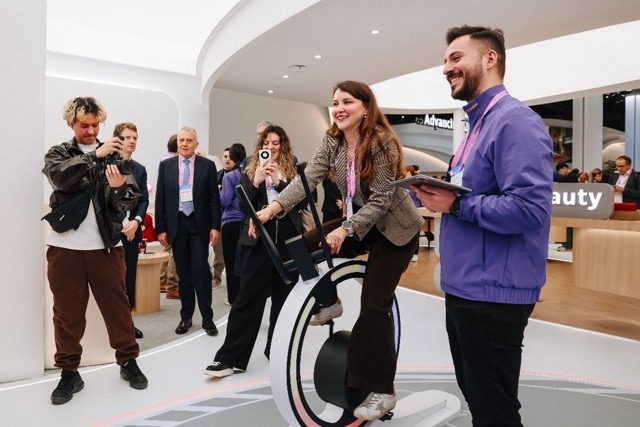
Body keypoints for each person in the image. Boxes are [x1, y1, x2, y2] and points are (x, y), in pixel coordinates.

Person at [254, 81, 423, 421]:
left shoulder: (381, 141)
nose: (339, 108)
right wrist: (272, 209)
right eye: (335, 102)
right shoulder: (333, 140)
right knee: (304, 243)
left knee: (374, 306)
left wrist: (345, 229)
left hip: (394, 230)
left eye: (347, 102)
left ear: (365, 106)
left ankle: (383, 390)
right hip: (361, 223)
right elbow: (307, 180)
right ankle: (329, 302)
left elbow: (382, 199)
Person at [413, 26, 553, 426]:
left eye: (456, 58)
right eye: (445, 60)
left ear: (490, 59)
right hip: (467, 286)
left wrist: (457, 204)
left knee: (494, 411)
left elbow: (530, 208)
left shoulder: (515, 121)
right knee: (481, 402)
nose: (446, 68)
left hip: (493, 294)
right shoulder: (479, 124)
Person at [42, 97, 148, 405]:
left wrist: (118, 187)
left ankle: (128, 361)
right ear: (71, 123)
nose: (90, 131)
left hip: (106, 246)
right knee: (67, 314)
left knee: (117, 308)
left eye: (95, 125)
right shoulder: (60, 153)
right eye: (84, 125)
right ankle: (69, 372)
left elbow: (129, 200)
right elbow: (59, 177)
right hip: (65, 248)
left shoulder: (115, 155)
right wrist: (93, 157)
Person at [204, 125, 305, 378]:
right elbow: (241, 204)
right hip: (258, 239)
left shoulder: (293, 168)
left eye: (275, 143)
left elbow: (304, 201)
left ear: (283, 145)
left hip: (289, 241)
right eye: (266, 143)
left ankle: (278, 350)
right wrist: (258, 179)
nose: (271, 147)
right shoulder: (250, 168)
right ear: (260, 145)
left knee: (285, 301)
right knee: (247, 298)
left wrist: (280, 181)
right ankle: (229, 359)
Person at [155, 127, 222, 336]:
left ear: (196, 144)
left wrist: (215, 226)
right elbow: (160, 198)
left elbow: (214, 199)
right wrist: (161, 228)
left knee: (201, 270)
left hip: (198, 225)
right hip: (177, 225)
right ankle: (186, 317)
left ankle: (207, 318)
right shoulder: (166, 166)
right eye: (181, 140)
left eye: (189, 140)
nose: (184, 144)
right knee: (183, 273)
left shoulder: (207, 166)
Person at [115, 122, 149, 339]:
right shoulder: (106, 164)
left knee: (129, 278)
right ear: (118, 139)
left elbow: (143, 199)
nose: (132, 141)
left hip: (132, 232)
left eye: (135, 137)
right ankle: (112, 326)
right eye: (127, 137)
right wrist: (123, 222)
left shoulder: (139, 169)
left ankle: (127, 323)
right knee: (112, 279)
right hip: (110, 231)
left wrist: (136, 221)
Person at [219, 143, 247, 305]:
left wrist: (217, 191)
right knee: (244, 261)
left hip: (231, 222)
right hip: (246, 223)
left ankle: (233, 298)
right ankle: (244, 296)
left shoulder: (229, 176)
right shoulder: (249, 173)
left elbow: (225, 200)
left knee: (231, 262)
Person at [159, 134, 180, 297]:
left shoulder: (163, 160)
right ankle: (173, 286)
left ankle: (162, 280)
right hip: (174, 212)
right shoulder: (172, 163)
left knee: (167, 247)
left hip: (166, 212)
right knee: (174, 250)